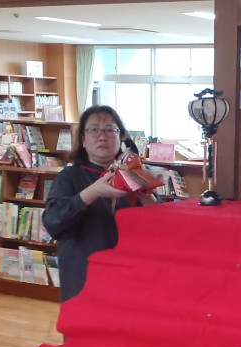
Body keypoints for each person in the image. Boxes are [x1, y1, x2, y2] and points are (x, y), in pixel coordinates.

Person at [42, 105, 156, 302]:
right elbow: (53, 222)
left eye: (110, 130)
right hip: (84, 277)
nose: (102, 137)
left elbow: (157, 227)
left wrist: (147, 195)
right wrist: (91, 193)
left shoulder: (133, 173)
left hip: (129, 276)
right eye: (94, 130)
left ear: (121, 138)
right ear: (82, 140)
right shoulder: (70, 176)